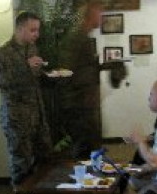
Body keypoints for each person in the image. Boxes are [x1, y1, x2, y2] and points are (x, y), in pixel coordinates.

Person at [0, 12, 52, 186]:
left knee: (44, 161)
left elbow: (33, 78)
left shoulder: (32, 49)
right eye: (32, 30)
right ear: (19, 29)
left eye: (38, 30)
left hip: (37, 115)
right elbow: (1, 81)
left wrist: (48, 75)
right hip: (17, 118)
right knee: (21, 164)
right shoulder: (3, 53)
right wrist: (25, 66)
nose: (37, 34)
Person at [58, 0, 103, 159]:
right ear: (90, 13)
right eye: (99, 11)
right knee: (84, 153)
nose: (101, 16)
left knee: (91, 151)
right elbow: (66, 72)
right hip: (78, 108)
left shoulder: (83, 37)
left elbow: (83, 69)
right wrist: (83, 95)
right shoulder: (76, 37)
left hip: (84, 106)